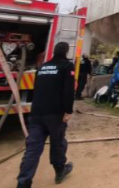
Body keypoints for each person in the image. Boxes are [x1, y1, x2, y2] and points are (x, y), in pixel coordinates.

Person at [16, 41, 75, 188]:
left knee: (32, 148)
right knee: (58, 143)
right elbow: (68, 91)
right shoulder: (66, 66)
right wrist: (68, 110)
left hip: (36, 113)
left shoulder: (42, 67)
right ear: (66, 52)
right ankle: (60, 170)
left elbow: (37, 89)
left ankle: (23, 182)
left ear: (54, 51)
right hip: (55, 114)